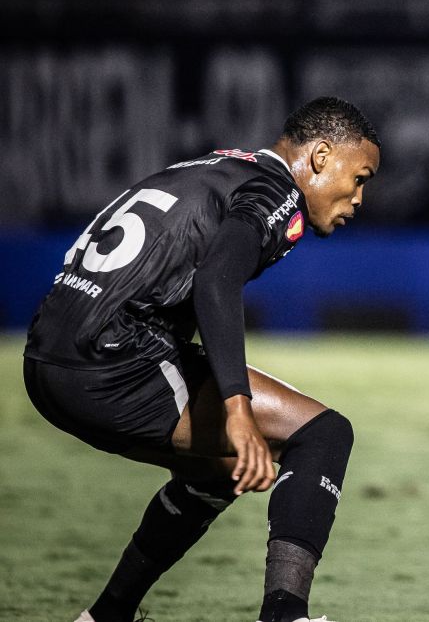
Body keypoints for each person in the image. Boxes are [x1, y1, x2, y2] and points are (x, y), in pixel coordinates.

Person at [23, 96, 381, 622]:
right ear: (323, 156)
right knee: (323, 434)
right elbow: (217, 280)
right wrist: (236, 409)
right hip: (111, 366)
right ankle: (285, 614)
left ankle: (106, 616)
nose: (360, 197)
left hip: (45, 361)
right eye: (361, 177)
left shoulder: (217, 166)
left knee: (217, 472)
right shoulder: (275, 190)